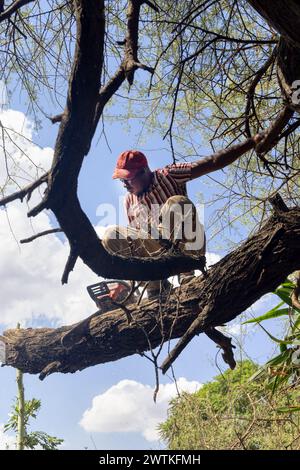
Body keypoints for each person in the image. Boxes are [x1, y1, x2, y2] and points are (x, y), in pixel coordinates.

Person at [102, 134, 265, 299]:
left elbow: (212, 162)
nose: (124, 184)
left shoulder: (169, 175)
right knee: (111, 236)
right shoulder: (129, 201)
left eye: (128, 179)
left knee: (177, 202)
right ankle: (155, 286)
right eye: (122, 180)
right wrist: (124, 285)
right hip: (155, 250)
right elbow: (134, 248)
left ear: (144, 171)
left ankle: (187, 274)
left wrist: (252, 142)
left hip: (184, 245)